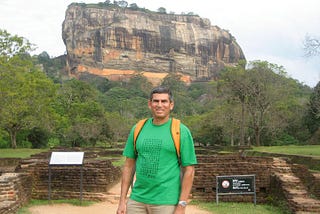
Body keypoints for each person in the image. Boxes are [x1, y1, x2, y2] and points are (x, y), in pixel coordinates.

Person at [116, 86, 197, 214]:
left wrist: (181, 205)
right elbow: (128, 166)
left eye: (164, 101)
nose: (159, 105)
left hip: (166, 202)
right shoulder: (138, 128)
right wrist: (122, 201)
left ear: (171, 105)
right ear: (150, 104)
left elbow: (189, 170)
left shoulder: (180, 131)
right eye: (156, 101)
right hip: (137, 200)